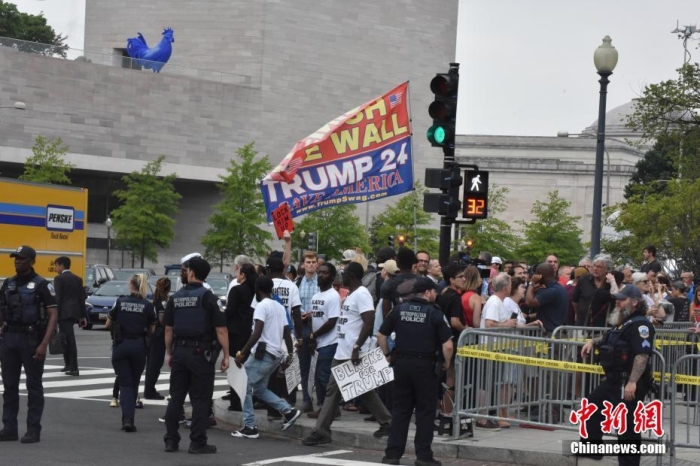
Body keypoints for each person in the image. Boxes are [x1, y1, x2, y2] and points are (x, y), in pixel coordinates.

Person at [302, 262, 392, 446]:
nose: (340, 276)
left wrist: (357, 346)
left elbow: (369, 321)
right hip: (344, 351)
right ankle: (388, 422)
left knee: (333, 391)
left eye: (343, 273)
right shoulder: (352, 295)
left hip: (352, 353)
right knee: (363, 390)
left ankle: (321, 431)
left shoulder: (362, 294)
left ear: (350, 275)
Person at [378, 277, 453, 466]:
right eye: (434, 292)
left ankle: (392, 455)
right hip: (425, 368)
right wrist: (445, 363)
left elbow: (381, 334)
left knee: (401, 411)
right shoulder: (435, 313)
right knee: (425, 413)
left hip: (402, 366)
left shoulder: (399, 309)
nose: (436, 295)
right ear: (427, 293)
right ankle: (423, 456)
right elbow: (448, 345)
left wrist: (387, 354)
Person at [580, 285, 655, 466]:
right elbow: (609, 337)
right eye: (617, 299)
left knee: (627, 426)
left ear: (634, 302)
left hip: (628, 383)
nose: (618, 302)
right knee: (591, 407)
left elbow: (642, 355)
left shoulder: (641, 325)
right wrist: (592, 341)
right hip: (614, 380)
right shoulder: (624, 322)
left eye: (622, 299)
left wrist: (632, 382)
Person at [163, 256, 230, 454]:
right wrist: (226, 355)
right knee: (200, 399)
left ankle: (171, 440)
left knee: (176, 397)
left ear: (191, 272)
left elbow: (168, 330)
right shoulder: (209, 298)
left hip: (180, 351)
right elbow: (221, 330)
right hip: (201, 353)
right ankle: (197, 442)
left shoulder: (175, 298)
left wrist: (169, 352)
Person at [0, 246, 58, 443]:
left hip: (31, 340)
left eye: (22, 258)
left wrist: (44, 344)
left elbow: (53, 315)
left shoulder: (42, 284)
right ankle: (9, 428)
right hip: (9, 339)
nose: (17, 261)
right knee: (9, 386)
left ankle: (33, 429)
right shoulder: (8, 284)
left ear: (32, 261)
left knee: (33, 385)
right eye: (15, 258)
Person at [231, 276, 301, 439]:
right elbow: (286, 332)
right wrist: (290, 353)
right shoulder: (279, 306)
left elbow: (257, 332)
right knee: (260, 390)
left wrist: (242, 353)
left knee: (245, 387)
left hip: (263, 354)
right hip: (275, 355)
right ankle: (288, 411)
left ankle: (250, 426)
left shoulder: (262, 306)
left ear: (257, 289)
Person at [106, 274, 156, 432]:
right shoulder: (148, 305)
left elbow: (108, 323)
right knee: (133, 383)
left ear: (130, 285)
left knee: (125, 383)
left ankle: (127, 419)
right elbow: (153, 329)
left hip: (121, 345)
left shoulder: (120, 301)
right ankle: (129, 418)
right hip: (139, 346)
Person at [305, 264, 341, 419]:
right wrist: (313, 337)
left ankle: (329, 410)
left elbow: (332, 321)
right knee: (318, 377)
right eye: (320, 273)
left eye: (325, 273)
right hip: (319, 343)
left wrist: (314, 335)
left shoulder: (333, 296)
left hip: (329, 342)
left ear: (332, 277)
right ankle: (325, 407)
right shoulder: (316, 297)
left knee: (324, 377)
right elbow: (316, 318)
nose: (320, 275)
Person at [224, 263, 257, 411]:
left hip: (235, 332)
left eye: (238, 272)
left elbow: (229, 311)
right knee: (246, 367)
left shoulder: (236, 291)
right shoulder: (254, 291)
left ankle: (235, 401)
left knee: (235, 366)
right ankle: (247, 398)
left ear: (243, 274)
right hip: (249, 332)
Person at [294, 251, 320, 414]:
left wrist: (311, 313)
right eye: (308, 262)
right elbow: (295, 304)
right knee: (304, 364)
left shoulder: (321, 282)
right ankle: (306, 399)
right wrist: (302, 314)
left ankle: (322, 401)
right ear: (303, 264)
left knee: (320, 365)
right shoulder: (298, 283)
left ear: (317, 264)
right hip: (303, 325)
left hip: (318, 325)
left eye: (313, 262)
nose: (310, 265)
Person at [53, 256, 86, 376]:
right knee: (65, 338)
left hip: (64, 313)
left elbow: (58, 298)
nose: (55, 268)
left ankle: (74, 367)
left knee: (69, 339)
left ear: (62, 265)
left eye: (56, 265)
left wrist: (54, 315)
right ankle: (68, 364)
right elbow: (81, 298)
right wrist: (83, 316)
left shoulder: (59, 279)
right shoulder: (77, 279)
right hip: (74, 312)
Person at [144, 277, 172, 400]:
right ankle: (149, 391)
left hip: (153, 335)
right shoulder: (162, 302)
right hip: (158, 336)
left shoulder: (155, 300)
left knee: (152, 364)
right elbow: (162, 319)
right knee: (154, 364)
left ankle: (149, 389)